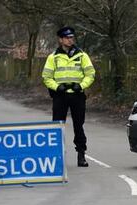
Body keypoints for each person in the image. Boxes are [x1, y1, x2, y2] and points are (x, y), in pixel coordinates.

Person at [42, 26, 96, 167]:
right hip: (60, 96)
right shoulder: (53, 57)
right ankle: (56, 157)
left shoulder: (82, 55)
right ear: (60, 40)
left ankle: (81, 155)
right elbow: (46, 77)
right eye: (67, 38)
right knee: (57, 126)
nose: (70, 40)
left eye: (72, 37)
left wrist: (82, 85)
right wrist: (56, 87)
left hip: (77, 95)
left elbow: (90, 74)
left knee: (79, 126)